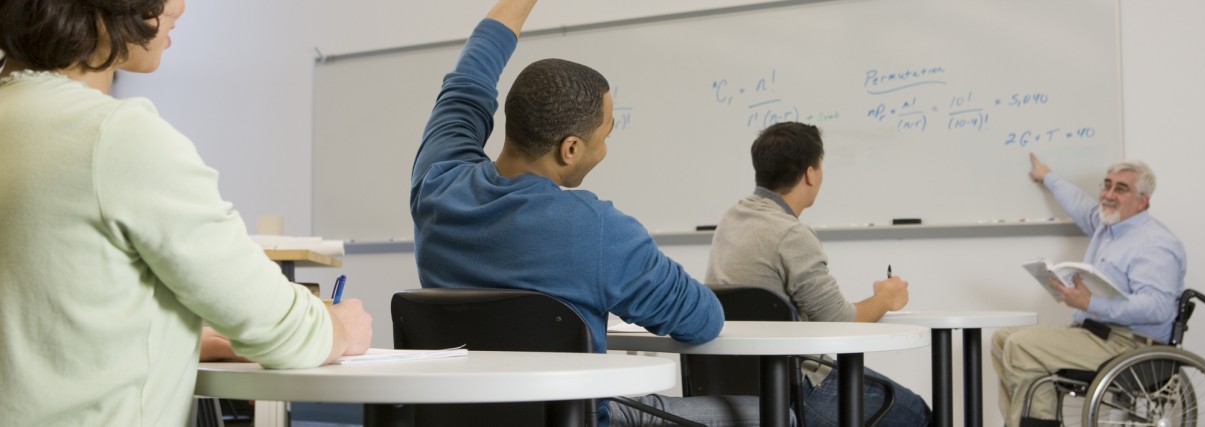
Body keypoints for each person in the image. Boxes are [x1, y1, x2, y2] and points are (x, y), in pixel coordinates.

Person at [0, 0, 373, 425]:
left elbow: (43, 325)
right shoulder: (117, 138)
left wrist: (191, 338)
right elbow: (281, 328)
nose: (178, 7)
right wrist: (341, 327)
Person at [408, 1, 778, 426]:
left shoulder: (436, 184)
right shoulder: (597, 229)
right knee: (771, 413)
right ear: (570, 148)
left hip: (459, 416)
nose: (605, 147)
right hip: (576, 418)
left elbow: (467, 83)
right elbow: (703, 320)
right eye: (605, 134)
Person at [705, 122, 931, 427]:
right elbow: (840, 322)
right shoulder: (790, 234)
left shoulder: (732, 218)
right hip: (796, 387)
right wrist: (884, 299)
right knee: (917, 413)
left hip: (734, 383)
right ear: (811, 174)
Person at [991, 154, 1186, 427]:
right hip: (1096, 334)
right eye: (1106, 185)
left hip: (1130, 345)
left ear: (1143, 201)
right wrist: (1047, 176)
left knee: (1022, 346)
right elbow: (1080, 205)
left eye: (1120, 188)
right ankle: (1021, 422)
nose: (1108, 194)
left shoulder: (1154, 244)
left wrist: (1090, 303)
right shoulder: (1109, 227)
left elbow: (1158, 307)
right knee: (1002, 339)